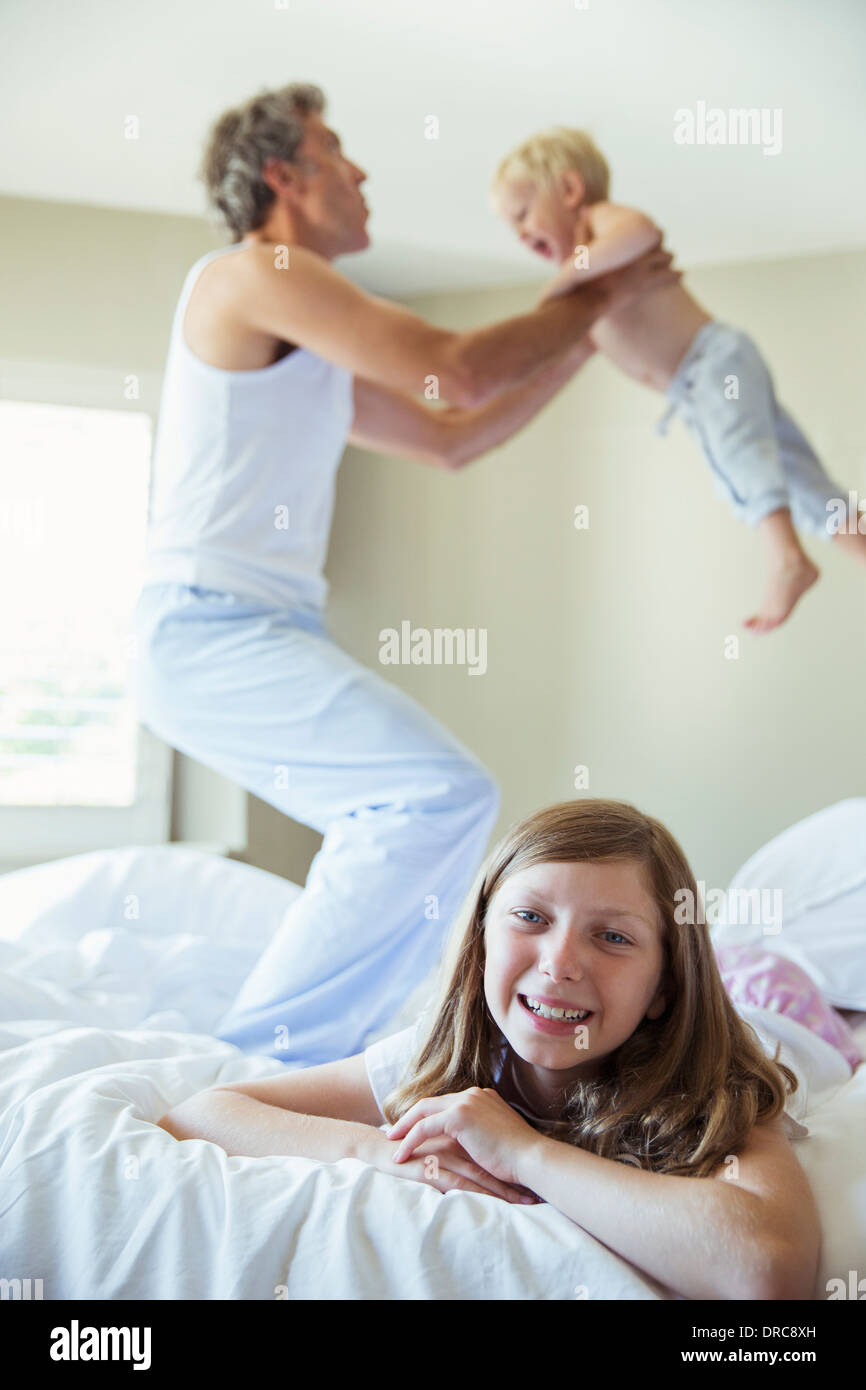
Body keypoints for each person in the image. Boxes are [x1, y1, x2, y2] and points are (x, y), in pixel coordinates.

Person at [132, 85, 677, 1068]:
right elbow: (455, 368)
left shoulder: (299, 323)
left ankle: (317, 1040)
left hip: (259, 623)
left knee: (432, 799)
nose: (363, 170)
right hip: (207, 623)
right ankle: (264, 1059)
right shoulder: (251, 272)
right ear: (282, 176)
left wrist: (588, 332)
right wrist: (600, 293)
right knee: (431, 796)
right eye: (337, 150)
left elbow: (449, 437)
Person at [156, 798, 860, 1301]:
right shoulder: (455, 1057)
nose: (560, 963)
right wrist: (386, 1153)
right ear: (482, 936)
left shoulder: (712, 1079)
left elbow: (767, 1273)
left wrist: (523, 1151)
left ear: (663, 989)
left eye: (612, 936)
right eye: (530, 918)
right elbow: (207, 1112)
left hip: (784, 1007)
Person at [490, 127, 866, 634]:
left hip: (710, 363)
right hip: (703, 380)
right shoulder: (585, 284)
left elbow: (642, 230)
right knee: (799, 479)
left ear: (571, 191)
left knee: (742, 454)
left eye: (521, 214)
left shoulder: (599, 227)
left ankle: (788, 560)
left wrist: (564, 277)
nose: (519, 234)